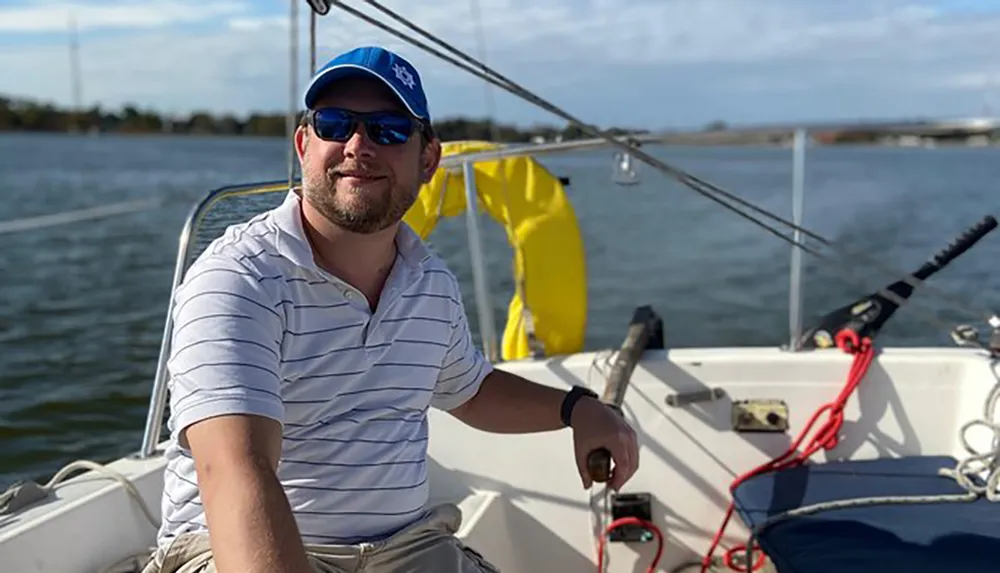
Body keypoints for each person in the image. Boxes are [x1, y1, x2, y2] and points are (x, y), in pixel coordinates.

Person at [144, 45, 639, 573]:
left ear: (428, 160)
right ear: (304, 144)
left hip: (406, 550)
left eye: (388, 130)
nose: (357, 145)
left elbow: (469, 390)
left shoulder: (430, 284)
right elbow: (236, 469)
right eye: (335, 124)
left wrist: (578, 408)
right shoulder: (240, 279)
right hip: (234, 551)